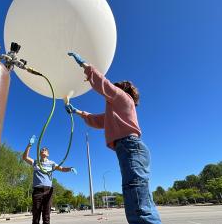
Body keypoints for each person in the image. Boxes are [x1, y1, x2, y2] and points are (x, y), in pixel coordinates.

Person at [65, 52, 162, 224]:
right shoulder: (116, 111)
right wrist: (77, 112)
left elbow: (103, 84)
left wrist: (85, 65)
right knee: (139, 196)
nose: (112, 92)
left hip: (130, 147)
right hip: (131, 149)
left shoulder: (123, 97)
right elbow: (97, 120)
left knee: (137, 200)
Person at [22, 135, 77, 224]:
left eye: (45, 149)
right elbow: (24, 158)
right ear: (39, 153)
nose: (43, 150)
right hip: (37, 191)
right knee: (36, 215)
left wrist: (70, 168)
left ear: (48, 154)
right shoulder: (36, 162)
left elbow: (62, 169)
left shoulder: (51, 163)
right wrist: (29, 145)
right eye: (41, 150)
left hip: (49, 190)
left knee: (46, 215)